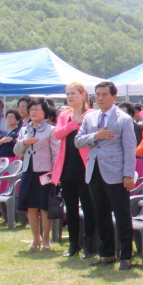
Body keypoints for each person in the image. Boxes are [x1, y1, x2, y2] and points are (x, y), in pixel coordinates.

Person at [75, 81, 138, 270]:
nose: (100, 98)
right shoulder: (90, 118)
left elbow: (129, 148)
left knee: (121, 214)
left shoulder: (124, 119)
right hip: (94, 171)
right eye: (97, 94)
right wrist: (96, 136)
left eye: (104, 94)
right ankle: (107, 253)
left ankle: (126, 256)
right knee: (100, 213)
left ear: (113, 97)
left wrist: (128, 174)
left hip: (116, 173)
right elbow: (78, 141)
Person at [52, 83, 96, 259]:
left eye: (73, 93)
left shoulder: (93, 115)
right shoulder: (64, 115)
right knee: (70, 208)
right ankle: (73, 244)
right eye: (67, 94)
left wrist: (80, 122)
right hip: (67, 167)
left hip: (86, 167)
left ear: (82, 94)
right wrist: (74, 123)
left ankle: (88, 244)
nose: (70, 97)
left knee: (88, 207)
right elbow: (57, 134)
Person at [14, 97, 60, 251]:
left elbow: (56, 153)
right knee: (31, 207)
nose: (33, 112)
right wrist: (24, 142)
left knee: (44, 206)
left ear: (45, 112)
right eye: (31, 109)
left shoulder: (50, 130)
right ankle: (36, 239)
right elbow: (17, 150)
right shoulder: (24, 129)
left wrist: (54, 172)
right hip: (28, 170)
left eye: (36, 109)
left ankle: (47, 239)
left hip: (45, 172)